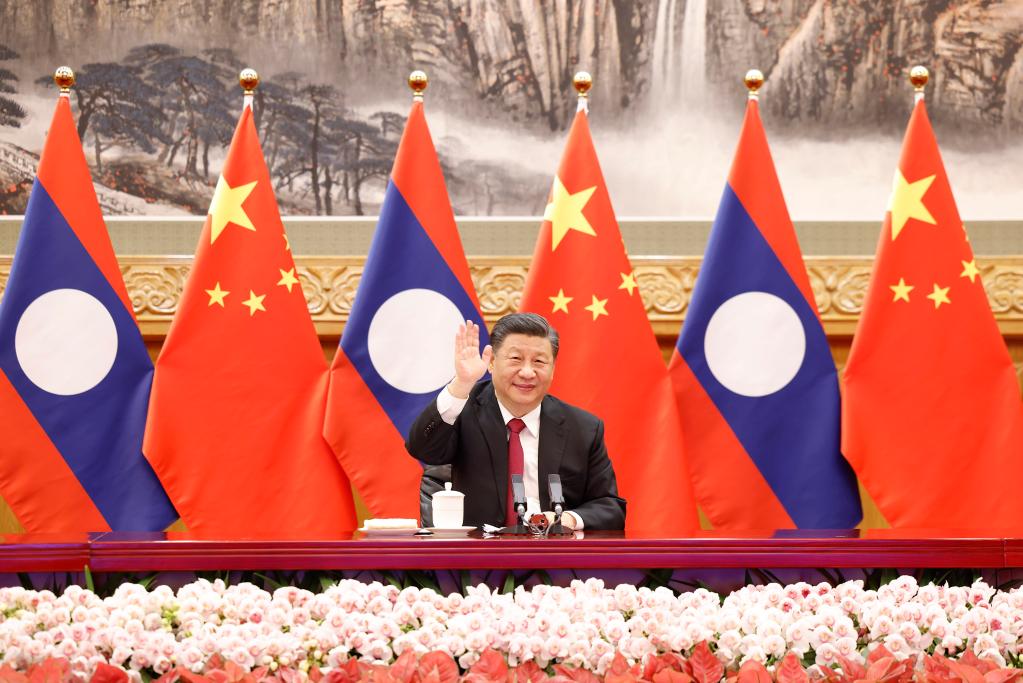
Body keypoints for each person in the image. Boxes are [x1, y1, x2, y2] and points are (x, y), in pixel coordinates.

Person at [406, 312, 626, 530]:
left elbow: (610, 508)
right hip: (478, 557)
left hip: (553, 557)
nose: (528, 372)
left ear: (553, 369)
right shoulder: (462, 412)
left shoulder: (583, 428)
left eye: (539, 361)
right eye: (516, 359)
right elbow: (422, 449)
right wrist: (462, 384)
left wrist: (566, 519)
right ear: (491, 362)